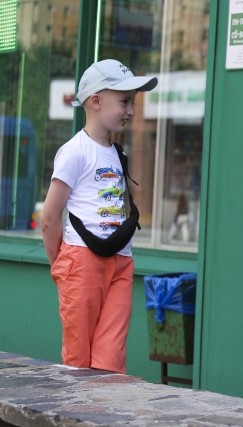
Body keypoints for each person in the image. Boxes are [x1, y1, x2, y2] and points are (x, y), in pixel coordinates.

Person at [41, 59, 157, 374]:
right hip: (81, 261)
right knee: (78, 363)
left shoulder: (118, 153)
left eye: (132, 103)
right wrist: (63, 268)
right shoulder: (75, 151)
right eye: (124, 102)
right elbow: (50, 219)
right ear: (95, 101)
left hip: (121, 260)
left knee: (110, 363)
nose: (131, 111)